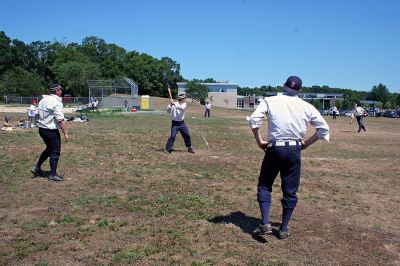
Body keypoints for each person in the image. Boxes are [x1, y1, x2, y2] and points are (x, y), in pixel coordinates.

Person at [249, 76, 330, 240]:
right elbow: (323, 129)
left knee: (265, 184)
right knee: (290, 190)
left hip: (275, 147)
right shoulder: (307, 106)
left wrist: (259, 141)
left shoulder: (269, 100)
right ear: (300, 91)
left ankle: (265, 223)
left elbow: (254, 119)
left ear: (283, 86)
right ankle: (284, 229)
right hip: (294, 149)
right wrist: (306, 143)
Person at [31, 84, 71, 181]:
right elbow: (60, 120)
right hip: (50, 131)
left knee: (49, 149)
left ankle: (37, 167)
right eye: (60, 89)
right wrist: (66, 133)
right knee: (55, 151)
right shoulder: (56, 102)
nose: (61, 91)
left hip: (42, 129)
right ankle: (53, 174)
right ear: (57, 91)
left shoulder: (43, 100)